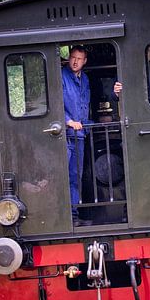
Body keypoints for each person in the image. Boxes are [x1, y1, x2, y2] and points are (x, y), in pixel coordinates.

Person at [62, 46, 92, 214]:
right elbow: (55, 102)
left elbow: (84, 105)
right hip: (64, 135)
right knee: (63, 175)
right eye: (73, 57)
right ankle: (64, 215)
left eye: (79, 59)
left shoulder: (85, 79)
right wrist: (68, 121)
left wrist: (90, 123)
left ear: (84, 61)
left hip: (79, 136)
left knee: (75, 176)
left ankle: (74, 212)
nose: (75, 61)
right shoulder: (60, 76)